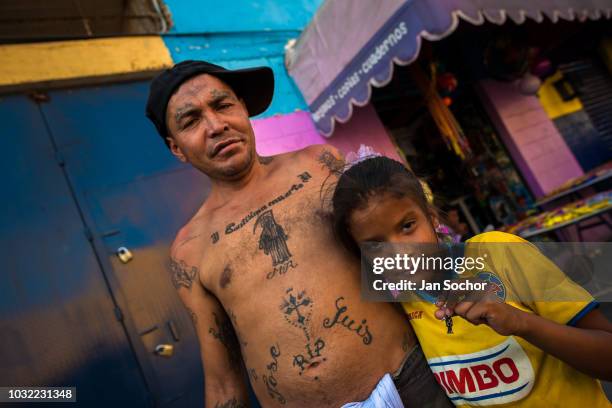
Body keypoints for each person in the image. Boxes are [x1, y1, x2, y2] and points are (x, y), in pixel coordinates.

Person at [145, 61, 452, 408]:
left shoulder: (319, 165)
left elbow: (408, 258)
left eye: (222, 105)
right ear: (176, 148)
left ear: (243, 108)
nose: (216, 126)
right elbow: (223, 382)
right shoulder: (189, 251)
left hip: (411, 386)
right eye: (191, 121)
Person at [331, 155, 612, 406]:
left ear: (431, 218)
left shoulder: (500, 254)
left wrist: (521, 323)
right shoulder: (402, 307)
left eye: (407, 226)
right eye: (376, 244)